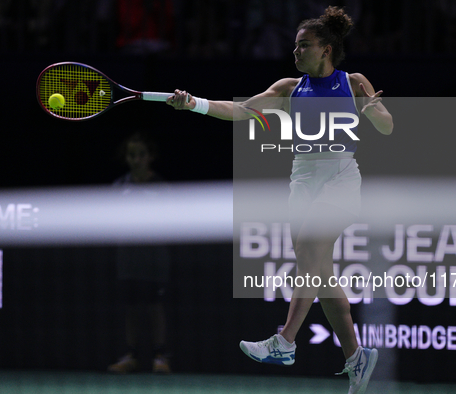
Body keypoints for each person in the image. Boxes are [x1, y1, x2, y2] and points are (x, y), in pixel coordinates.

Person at [166, 6, 392, 394]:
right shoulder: (289, 88)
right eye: (295, 45)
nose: (296, 52)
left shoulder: (352, 82)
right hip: (301, 182)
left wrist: (373, 112)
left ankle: (284, 341)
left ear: (326, 49)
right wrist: (195, 104)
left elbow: (387, 127)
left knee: (308, 251)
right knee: (321, 274)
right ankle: (356, 356)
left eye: (304, 45)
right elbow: (240, 111)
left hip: (340, 177)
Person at [107, 131, 172, 374]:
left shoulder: (162, 188)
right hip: (127, 258)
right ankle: (130, 356)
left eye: (141, 155)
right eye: (132, 155)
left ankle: (160, 356)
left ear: (150, 157)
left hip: (155, 259)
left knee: (156, 307)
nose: (136, 160)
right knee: (131, 309)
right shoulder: (118, 187)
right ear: (126, 158)